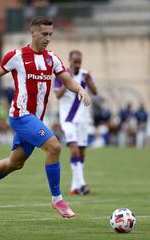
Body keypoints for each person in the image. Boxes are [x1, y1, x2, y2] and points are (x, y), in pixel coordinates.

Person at [0, 16, 91, 218]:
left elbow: (67, 80)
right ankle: (57, 199)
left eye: (51, 34)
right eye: (44, 34)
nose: (48, 38)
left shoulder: (52, 58)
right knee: (54, 146)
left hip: (35, 119)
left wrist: (80, 90)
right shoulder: (16, 56)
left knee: (14, 163)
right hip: (20, 115)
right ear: (32, 32)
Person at [54, 50, 97, 196]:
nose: (77, 64)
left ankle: (75, 186)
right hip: (68, 119)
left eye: (79, 61)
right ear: (70, 61)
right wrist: (68, 80)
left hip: (83, 120)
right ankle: (83, 184)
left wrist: (90, 81)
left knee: (82, 153)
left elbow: (95, 92)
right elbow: (57, 95)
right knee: (74, 149)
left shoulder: (85, 75)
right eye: (75, 61)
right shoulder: (62, 74)